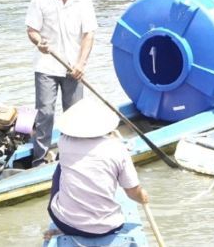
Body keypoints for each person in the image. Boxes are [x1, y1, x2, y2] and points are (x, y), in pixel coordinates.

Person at [25, 0, 97, 167]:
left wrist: (81, 64)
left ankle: (72, 156)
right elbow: (32, 29)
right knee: (45, 112)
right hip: (46, 65)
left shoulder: (82, 1)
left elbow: (88, 35)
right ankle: (40, 159)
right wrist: (39, 42)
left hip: (73, 67)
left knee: (74, 114)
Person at [45, 98, 149, 240]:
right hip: (108, 227)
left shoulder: (64, 142)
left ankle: (69, 212)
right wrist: (142, 196)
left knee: (60, 167)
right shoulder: (118, 149)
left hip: (66, 224)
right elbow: (132, 192)